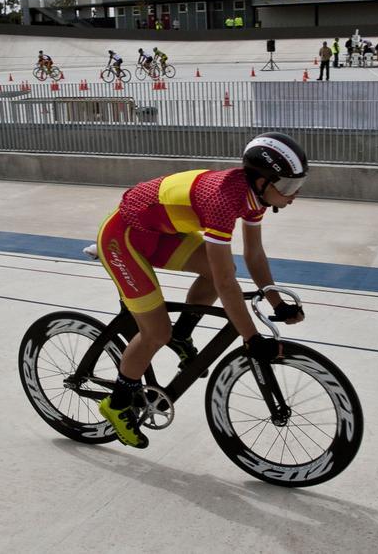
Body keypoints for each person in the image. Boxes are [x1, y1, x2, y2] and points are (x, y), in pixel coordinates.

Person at [93, 133, 309, 448]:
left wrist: (277, 302)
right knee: (155, 332)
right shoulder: (223, 200)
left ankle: (183, 333)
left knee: (220, 271)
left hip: (159, 231)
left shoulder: (254, 198)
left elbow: (254, 256)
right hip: (123, 237)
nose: (294, 195)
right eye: (288, 187)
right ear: (262, 181)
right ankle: (116, 403)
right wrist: (251, 338)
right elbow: (224, 284)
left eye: (298, 185)